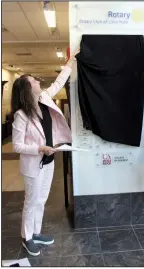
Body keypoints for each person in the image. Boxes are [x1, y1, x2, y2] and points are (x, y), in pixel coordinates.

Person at [11, 51, 78, 256]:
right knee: (31, 201)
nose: (38, 81)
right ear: (27, 89)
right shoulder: (21, 115)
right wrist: (39, 148)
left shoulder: (45, 99)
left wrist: (70, 62)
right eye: (33, 80)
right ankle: (27, 237)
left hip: (49, 161)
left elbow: (58, 83)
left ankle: (36, 232)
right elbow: (17, 145)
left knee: (41, 200)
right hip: (34, 164)